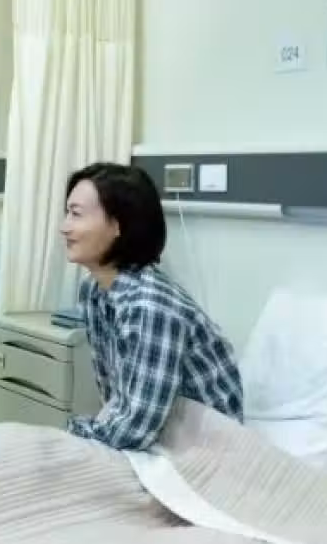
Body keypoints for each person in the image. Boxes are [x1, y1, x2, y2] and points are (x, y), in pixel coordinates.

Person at [60, 162, 243, 451]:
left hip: (206, 448)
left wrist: (75, 432)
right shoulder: (94, 292)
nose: (65, 227)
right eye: (67, 213)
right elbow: (117, 399)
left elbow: (135, 430)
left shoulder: (150, 307)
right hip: (153, 437)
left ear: (118, 225)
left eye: (76, 214)